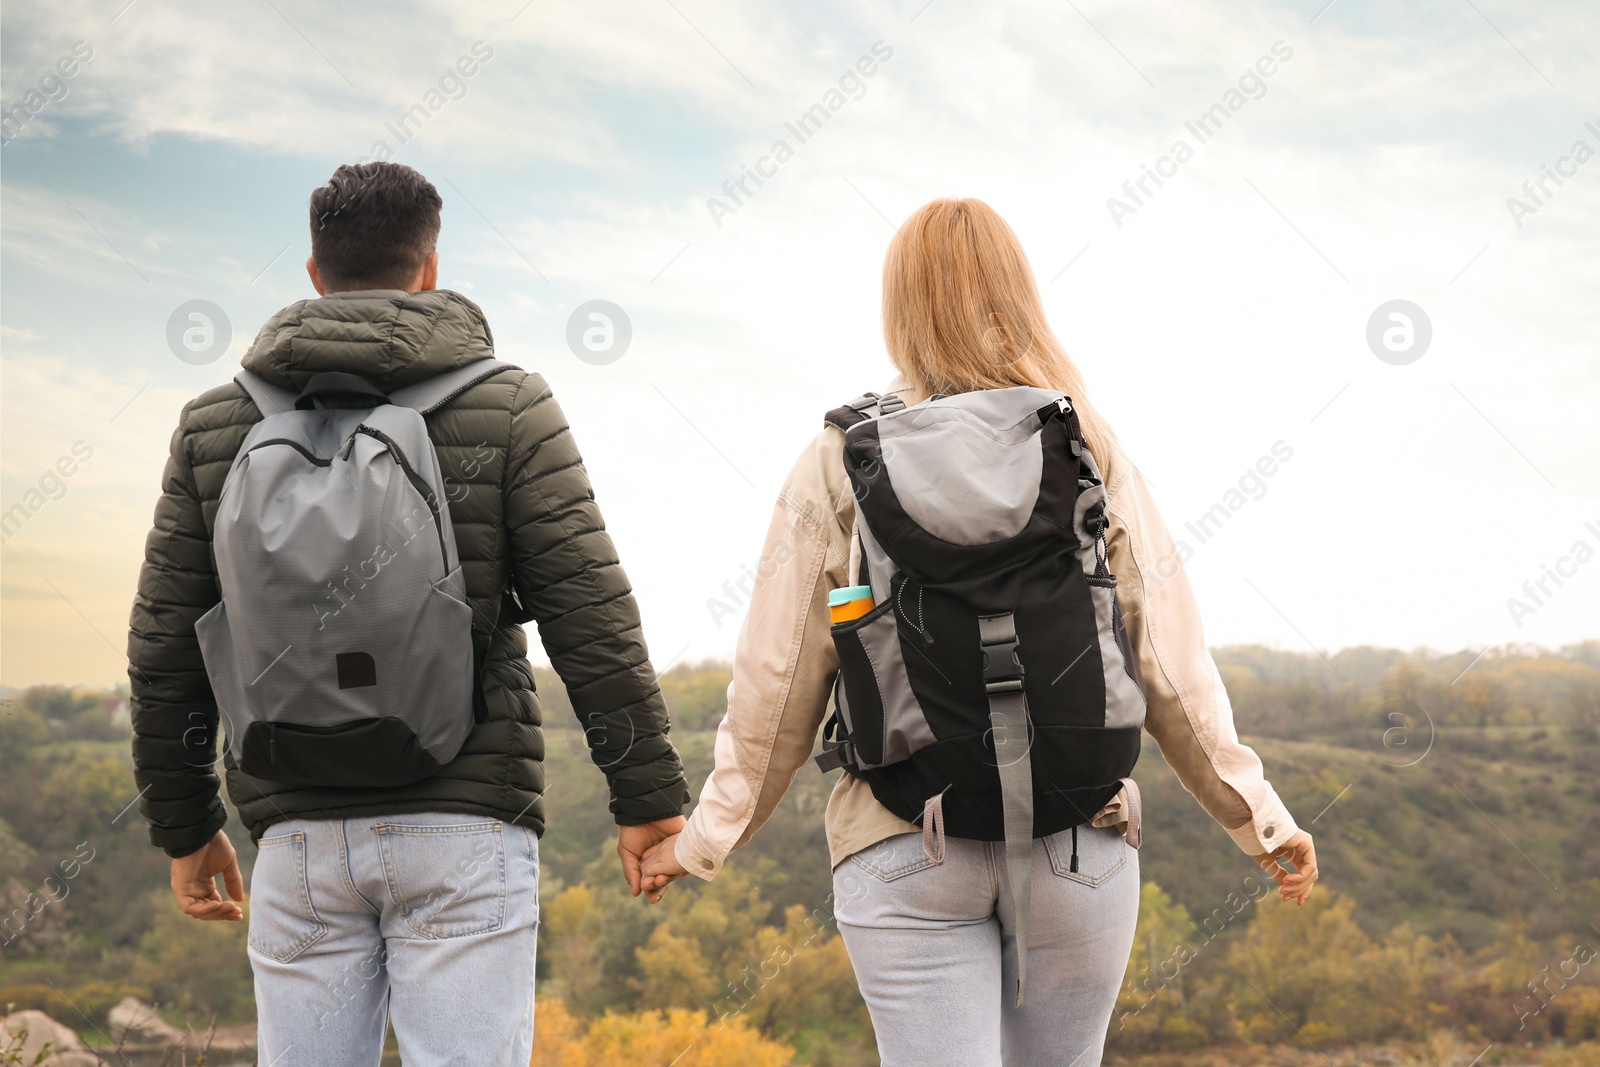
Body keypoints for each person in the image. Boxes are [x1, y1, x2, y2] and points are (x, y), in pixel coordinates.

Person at [640, 197, 1318, 1065]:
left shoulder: (840, 459)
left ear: (899, 308)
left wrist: (702, 839)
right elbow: (1169, 664)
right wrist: (1260, 818)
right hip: (1079, 841)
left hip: (902, 841)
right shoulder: (1083, 442)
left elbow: (777, 686)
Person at [126, 161, 689, 1067]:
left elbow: (163, 647)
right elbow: (590, 615)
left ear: (313, 274)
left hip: (296, 831)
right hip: (463, 823)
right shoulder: (510, 405)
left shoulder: (213, 426)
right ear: (430, 267)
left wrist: (186, 828)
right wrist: (649, 797)